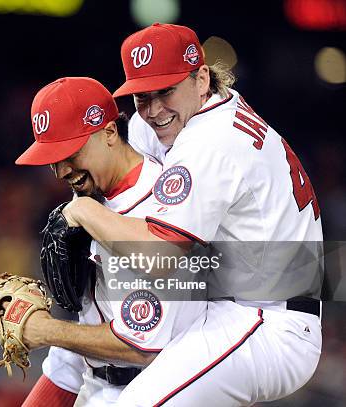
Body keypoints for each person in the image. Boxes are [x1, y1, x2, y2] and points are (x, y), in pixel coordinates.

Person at [52, 23, 323, 405]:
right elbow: (123, 146)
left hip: (268, 320)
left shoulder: (210, 142)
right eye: (142, 97)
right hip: (230, 303)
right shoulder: (199, 110)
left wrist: (80, 210)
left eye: (166, 91)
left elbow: (160, 258)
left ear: (200, 78)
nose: (154, 109)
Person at [14, 77, 207, 406]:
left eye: (70, 153)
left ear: (109, 132)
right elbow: (75, 358)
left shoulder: (162, 211)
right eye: (52, 159)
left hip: (163, 393)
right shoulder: (87, 206)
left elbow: (140, 346)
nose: (61, 171)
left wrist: (43, 330)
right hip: (101, 387)